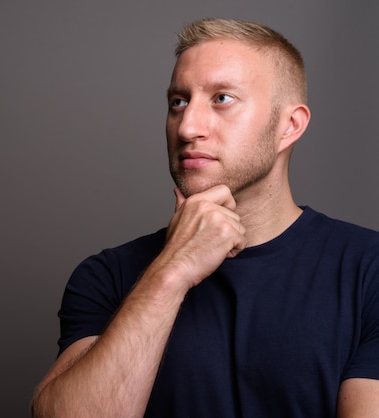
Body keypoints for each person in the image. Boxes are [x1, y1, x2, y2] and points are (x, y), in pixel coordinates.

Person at [31, 17, 379, 418]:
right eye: (178, 102)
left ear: (289, 126)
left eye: (222, 99)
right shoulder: (107, 275)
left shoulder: (368, 270)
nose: (187, 126)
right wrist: (172, 272)